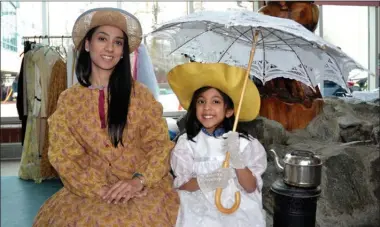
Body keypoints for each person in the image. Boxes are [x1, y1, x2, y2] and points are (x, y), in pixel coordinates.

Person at [33, 8, 179, 226]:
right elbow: (64, 156)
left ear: (123, 51)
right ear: (87, 44)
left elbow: (159, 145)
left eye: (118, 42)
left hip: (143, 188)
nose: (110, 47)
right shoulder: (69, 101)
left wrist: (137, 182)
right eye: (102, 39)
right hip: (90, 191)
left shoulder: (141, 96)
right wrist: (100, 189)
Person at [168, 62, 267, 227]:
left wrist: (236, 159)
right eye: (201, 101)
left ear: (229, 111)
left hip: (239, 211)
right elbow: (182, 185)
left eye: (215, 102)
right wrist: (206, 181)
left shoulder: (245, 144)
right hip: (198, 209)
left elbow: (250, 187)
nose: (207, 108)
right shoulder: (187, 143)